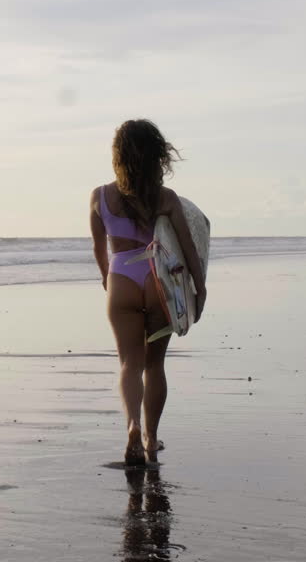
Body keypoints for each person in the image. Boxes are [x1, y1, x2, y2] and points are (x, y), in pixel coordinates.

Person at [90, 119, 206, 467]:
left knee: (128, 363)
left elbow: (99, 250)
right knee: (154, 364)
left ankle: (131, 427)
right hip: (158, 282)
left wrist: (107, 280)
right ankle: (151, 439)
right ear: (157, 155)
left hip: (122, 278)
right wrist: (199, 290)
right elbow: (188, 250)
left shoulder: (100, 196)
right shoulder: (166, 198)